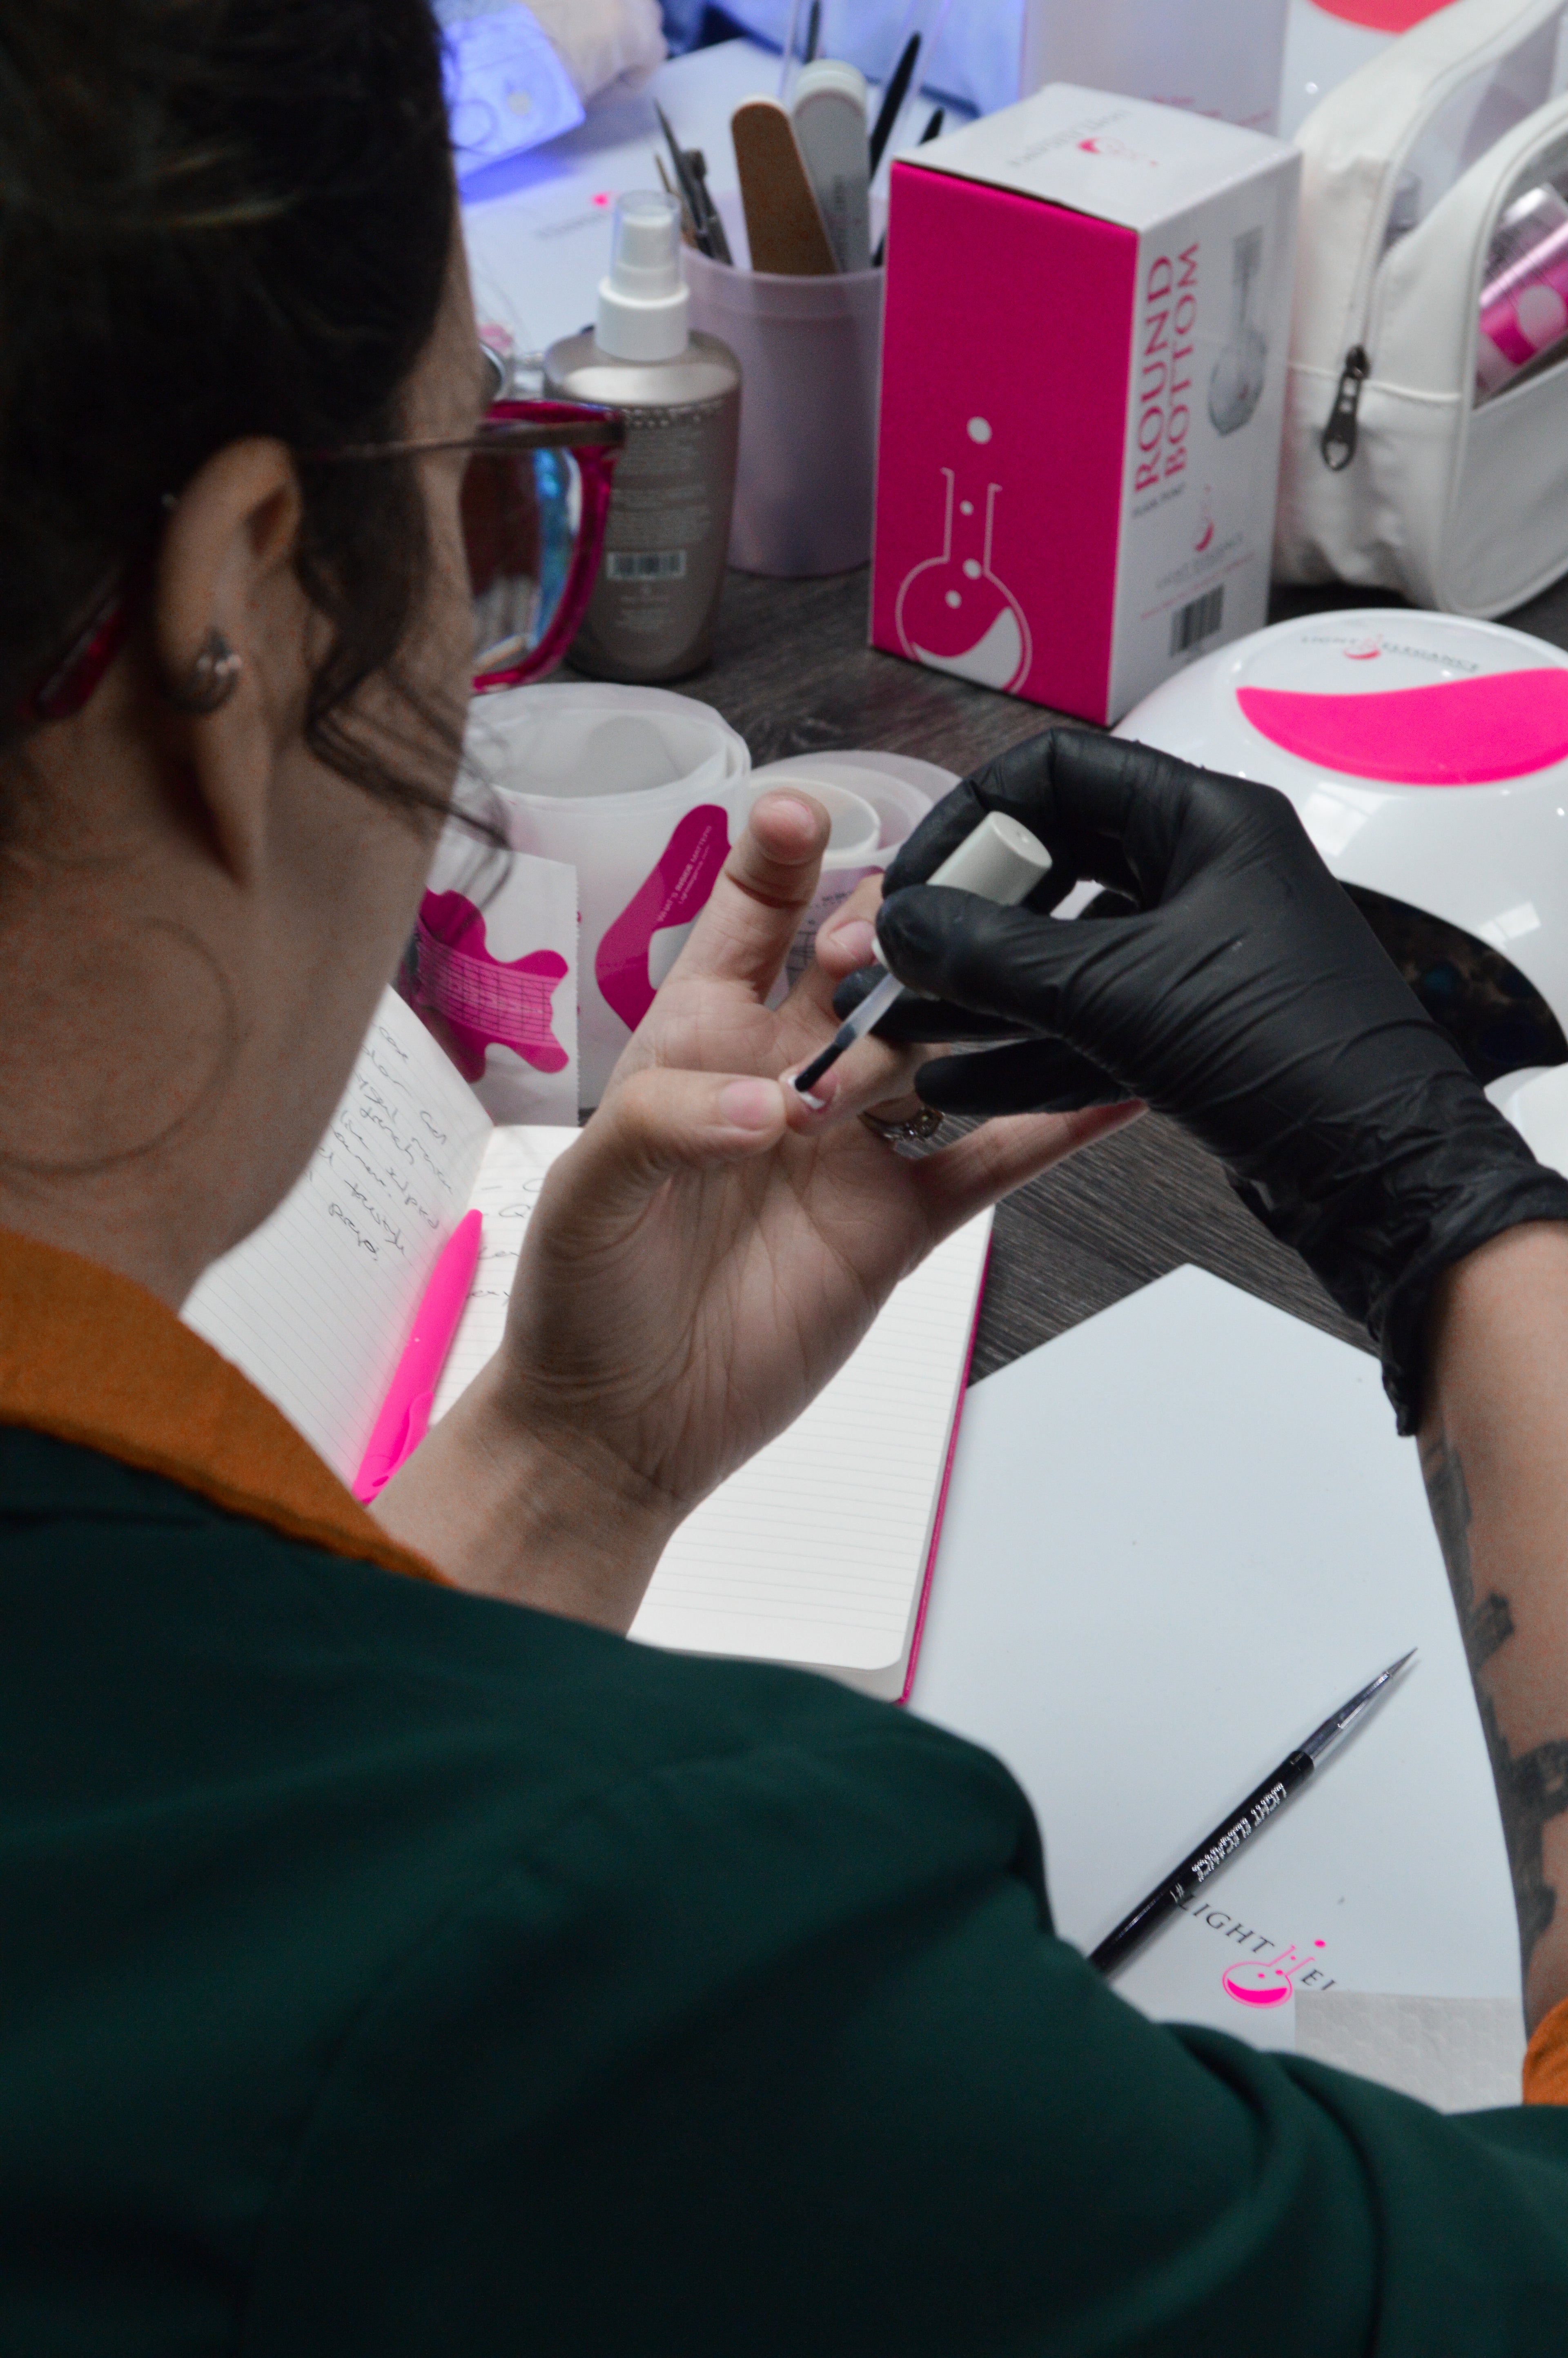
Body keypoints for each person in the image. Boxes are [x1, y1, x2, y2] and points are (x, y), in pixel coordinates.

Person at [5, 5, 1568, 2354]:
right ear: (241, 604)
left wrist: (571, 1466)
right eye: (483, 495)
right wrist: (1464, 1230)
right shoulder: (660, 1949)